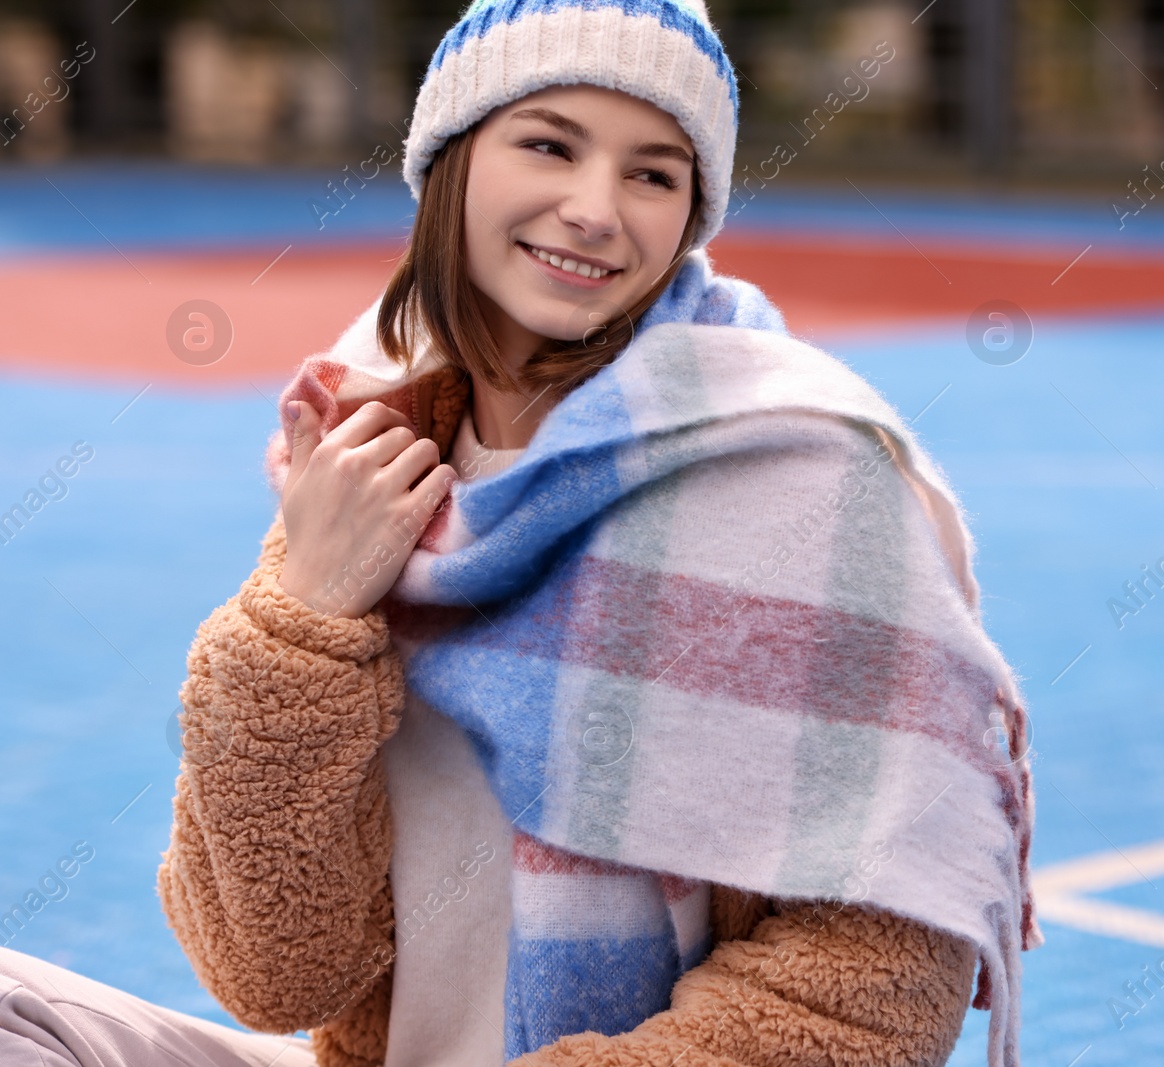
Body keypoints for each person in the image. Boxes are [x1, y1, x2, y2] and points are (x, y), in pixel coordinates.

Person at [0, 2, 1042, 1066]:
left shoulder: (804, 481)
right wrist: (299, 617)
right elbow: (273, 973)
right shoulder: (377, 446)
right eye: (548, 144)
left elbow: (872, 986)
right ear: (452, 161)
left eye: (653, 173)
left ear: (690, 216)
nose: (595, 210)